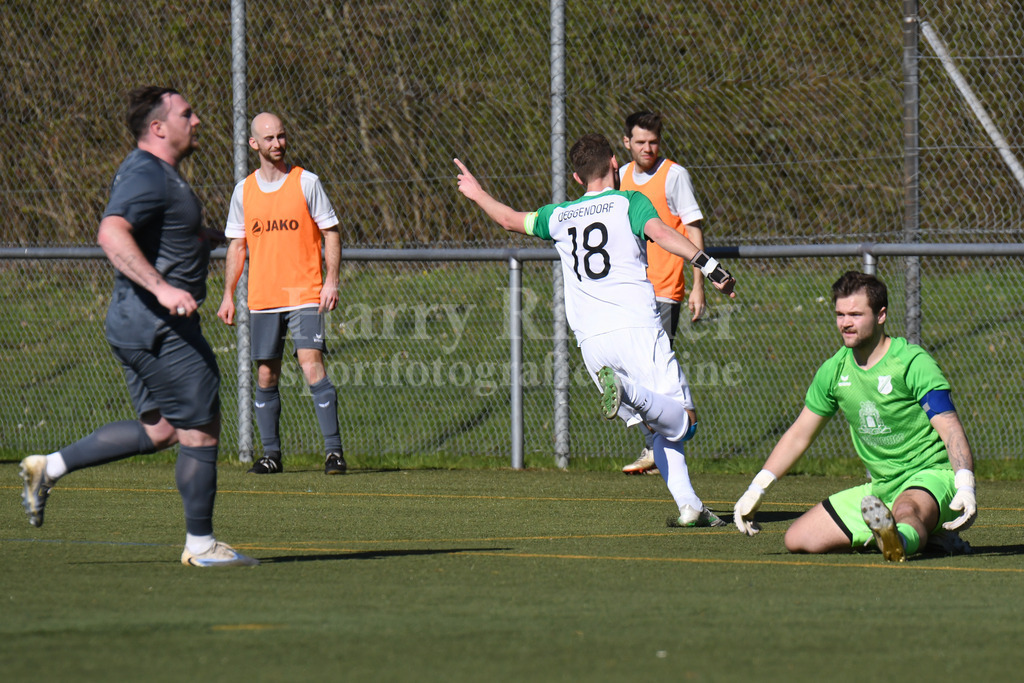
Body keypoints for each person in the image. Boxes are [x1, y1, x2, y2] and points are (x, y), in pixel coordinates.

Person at [18, 86, 257, 567]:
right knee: (201, 431)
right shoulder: (149, 173)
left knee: (163, 429)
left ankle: (50, 467)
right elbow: (111, 231)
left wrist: (199, 239)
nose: (197, 120)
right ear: (158, 127)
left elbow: (155, 231)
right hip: (160, 326)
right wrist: (164, 288)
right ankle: (201, 546)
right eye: (186, 113)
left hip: (135, 322)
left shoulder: (152, 172)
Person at [454, 133, 736, 527]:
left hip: (591, 343)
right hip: (636, 328)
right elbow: (664, 233)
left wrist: (477, 192)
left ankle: (689, 506)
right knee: (684, 421)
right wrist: (708, 265)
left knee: (658, 428)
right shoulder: (628, 202)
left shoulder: (558, 215)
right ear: (616, 165)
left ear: (575, 177)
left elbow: (507, 219)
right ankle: (629, 392)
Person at [733, 271, 978, 561]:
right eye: (840, 314)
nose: (845, 323)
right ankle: (922, 537)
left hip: (932, 479)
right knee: (799, 538)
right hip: (881, 488)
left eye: (855, 314)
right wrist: (757, 488)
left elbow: (950, 429)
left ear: (881, 315)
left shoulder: (913, 362)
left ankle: (899, 539)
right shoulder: (834, 371)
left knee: (907, 509)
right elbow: (799, 435)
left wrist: (964, 484)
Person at [218, 112, 345, 475]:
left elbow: (331, 232)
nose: (277, 144)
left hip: (304, 293)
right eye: (269, 138)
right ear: (253, 144)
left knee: (311, 365)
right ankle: (271, 455)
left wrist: (331, 280)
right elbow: (237, 246)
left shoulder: (306, 182)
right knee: (265, 376)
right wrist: (228, 294)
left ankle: (334, 453)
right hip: (263, 298)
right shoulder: (243, 191)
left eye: (282, 137)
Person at [619, 111, 709, 476]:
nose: (647, 148)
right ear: (627, 143)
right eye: (640, 142)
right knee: (629, 371)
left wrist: (699, 284)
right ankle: (661, 443)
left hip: (664, 290)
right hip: (629, 290)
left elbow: (693, 229)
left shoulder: (674, 175)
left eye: (653, 141)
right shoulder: (622, 176)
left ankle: (665, 439)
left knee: (652, 371)